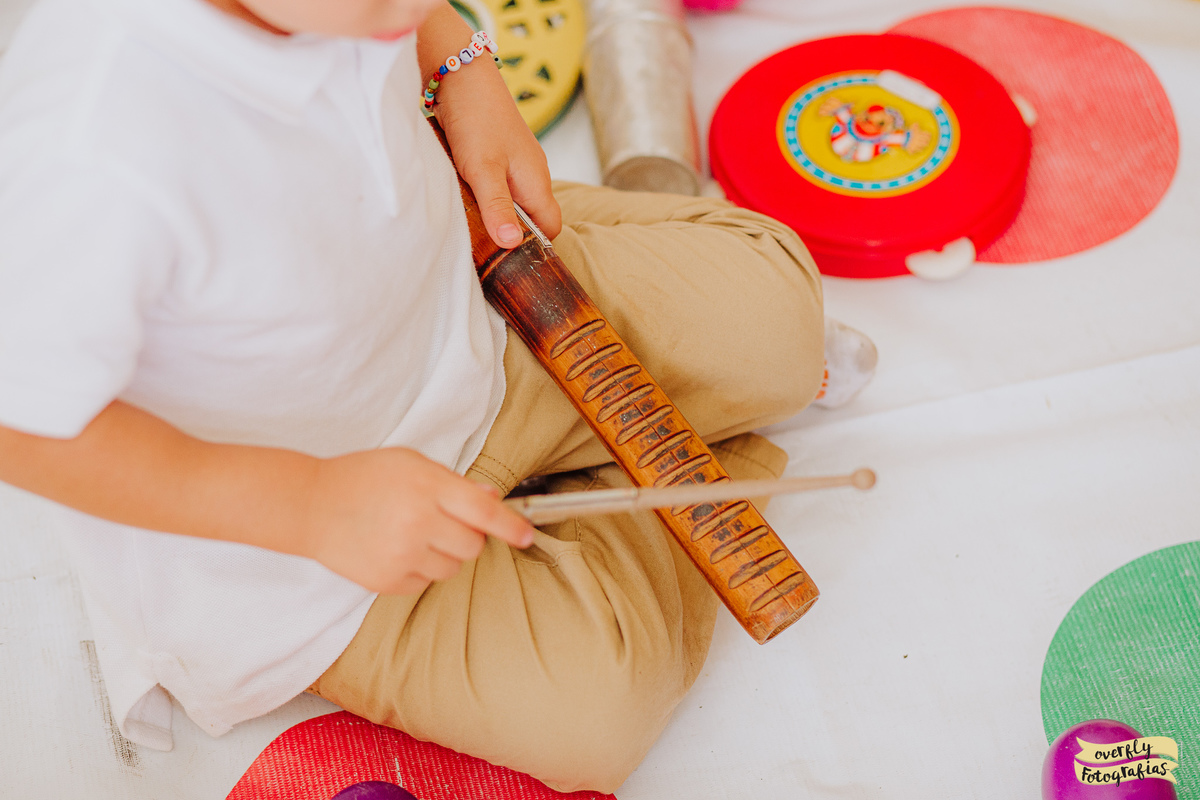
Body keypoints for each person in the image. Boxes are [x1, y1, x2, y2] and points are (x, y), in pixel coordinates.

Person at [0, 0, 874, 791]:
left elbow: (418, 26)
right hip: (320, 547)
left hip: (474, 320)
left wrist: (460, 61)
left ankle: (612, 455)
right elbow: (24, 430)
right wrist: (308, 506)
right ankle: (659, 448)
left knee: (784, 320)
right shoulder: (84, 144)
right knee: (597, 713)